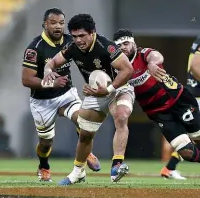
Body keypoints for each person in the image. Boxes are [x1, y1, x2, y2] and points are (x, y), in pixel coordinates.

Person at [113, 28, 200, 179]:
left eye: (126, 43)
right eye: (120, 45)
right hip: (158, 113)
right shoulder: (118, 67)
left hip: (178, 101)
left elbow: (157, 56)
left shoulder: (144, 54)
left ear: (133, 42)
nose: (123, 47)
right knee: (185, 151)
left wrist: (152, 64)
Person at [43, 14, 135, 185]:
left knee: (121, 116)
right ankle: (78, 173)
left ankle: (116, 166)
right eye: (75, 36)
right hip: (95, 93)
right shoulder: (72, 48)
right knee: (85, 134)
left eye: (82, 35)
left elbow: (127, 70)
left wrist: (108, 89)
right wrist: (48, 70)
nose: (78, 40)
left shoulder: (107, 47)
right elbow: (52, 63)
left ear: (92, 32)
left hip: (118, 88)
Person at [22, 9, 100, 182]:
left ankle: (85, 153)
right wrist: (51, 83)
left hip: (66, 94)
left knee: (83, 120)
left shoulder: (71, 41)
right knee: (46, 142)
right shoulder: (35, 48)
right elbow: (26, 80)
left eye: (61, 23)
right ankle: (44, 165)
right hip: (42, 101)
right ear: (45, 24)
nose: (58, 26)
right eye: (53, 22)